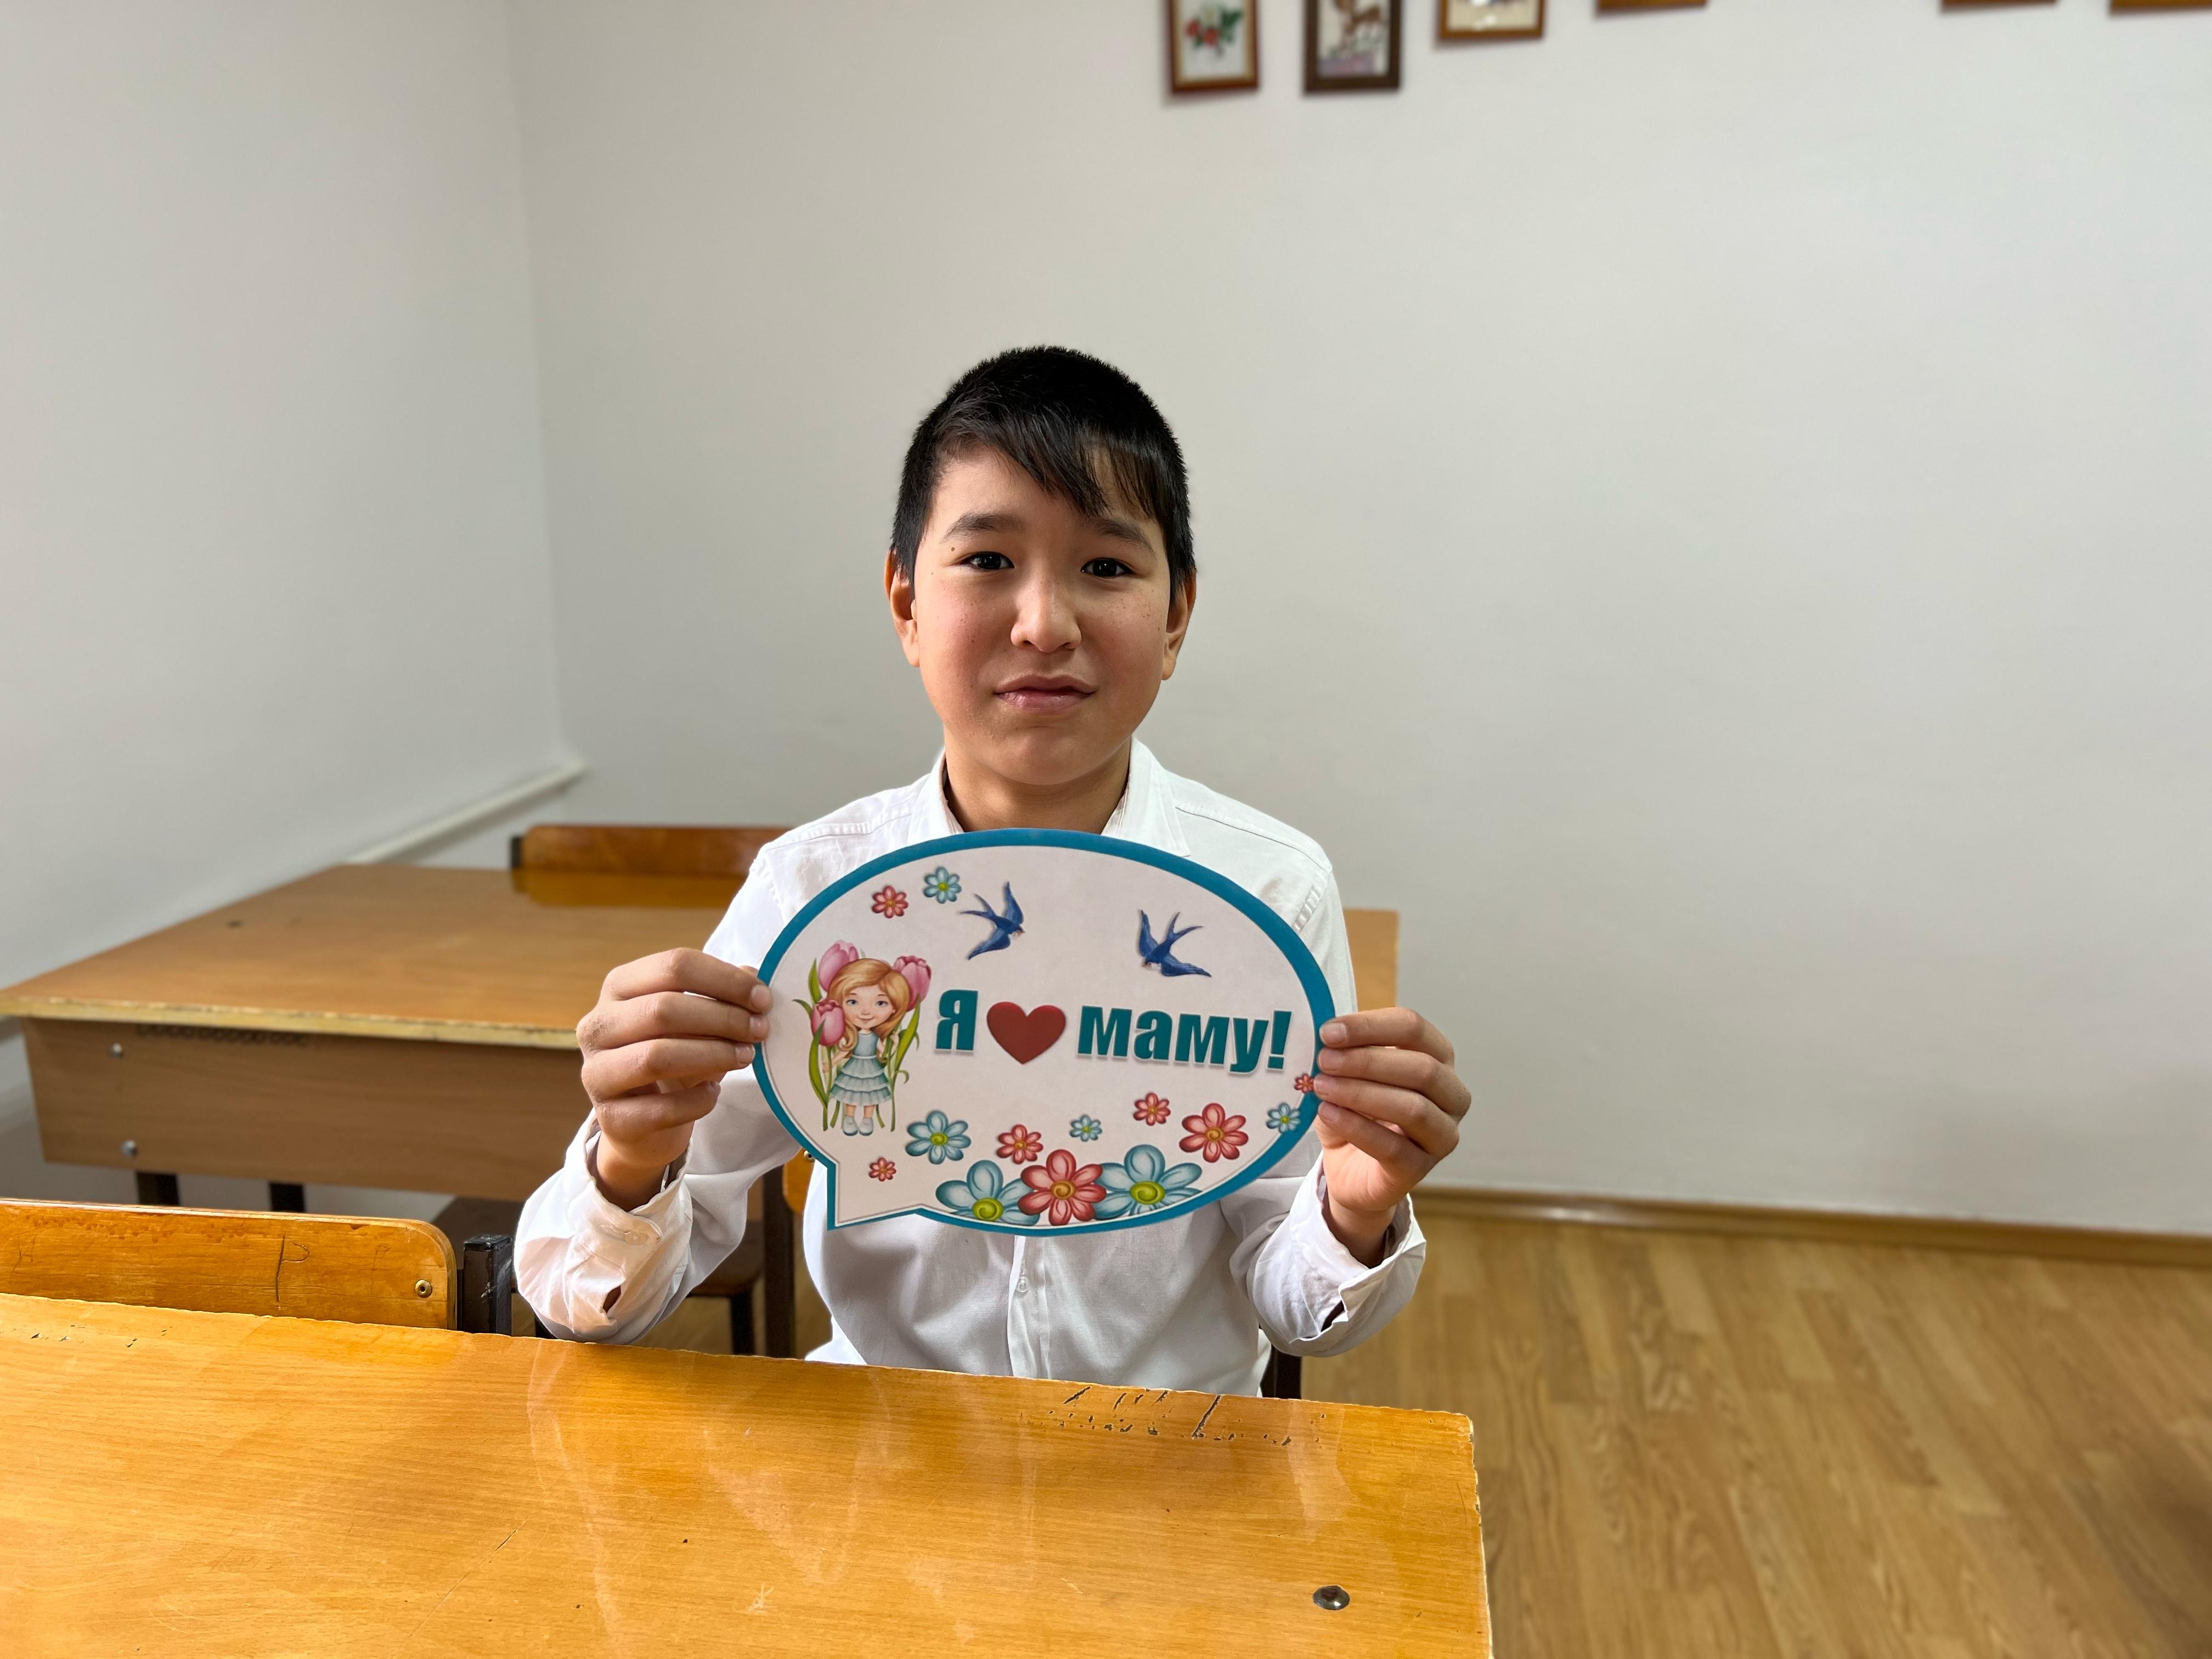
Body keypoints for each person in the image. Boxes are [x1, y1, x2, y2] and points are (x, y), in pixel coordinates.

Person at [515, 346, 1475, 1393]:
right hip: (885, 1443)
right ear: (905, 605)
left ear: (1176, 618)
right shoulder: (815, 895)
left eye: (1107, 568)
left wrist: (1351, 1209)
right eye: (986, 560)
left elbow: (1296, 1305)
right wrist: (631, 1158)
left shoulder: (1267, 894)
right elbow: (589, 1307)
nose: (1044, 625)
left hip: (1171, 1456)